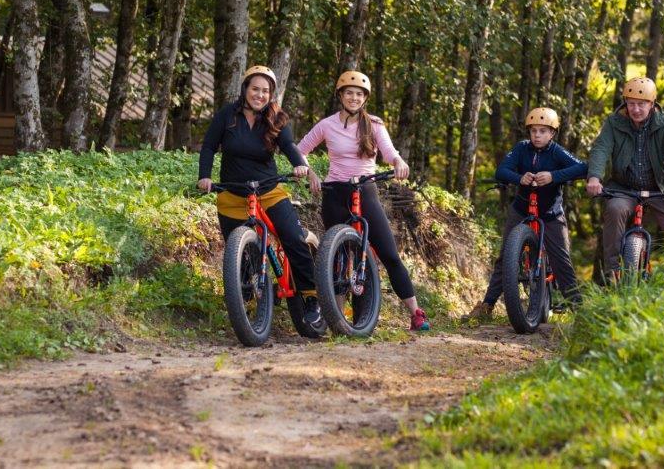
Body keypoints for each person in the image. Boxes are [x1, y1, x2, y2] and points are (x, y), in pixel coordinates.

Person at [297, 71, 430, 331]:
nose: (354, 97)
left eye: (359, 94)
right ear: (340, 95)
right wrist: (310, 171)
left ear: (365, 98)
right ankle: (334, 317)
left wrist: (399, 162)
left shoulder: (375, 125)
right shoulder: (327, 125)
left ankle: (416, 313)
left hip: (365, 190)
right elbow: (299, 150)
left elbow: (391, 154)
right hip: (335, 192)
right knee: (337, 257)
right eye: (349, 93)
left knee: (389, 253)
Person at [197, 65, 324, 333]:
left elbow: (289, 147)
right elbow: (209, 146)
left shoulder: (276, 119)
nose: (260, 94)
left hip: (268, 191)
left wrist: (301, 166)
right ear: (245, 89)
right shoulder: (226, 117)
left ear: (271, 94)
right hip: (232, 193)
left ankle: (312, 299)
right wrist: (205, 176)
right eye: (255, 88)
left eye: (265, 91)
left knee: (293, 238)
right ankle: (245, 300)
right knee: (239, 254)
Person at [463, 107, 586, 320]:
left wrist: (554, 176)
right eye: (534, 131)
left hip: (550, 213)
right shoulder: (521, 148)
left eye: (543, 131)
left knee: (561, 260)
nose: (537, 135)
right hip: (521, 209)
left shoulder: (557, 151)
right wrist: (519, 178)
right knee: (505, 257)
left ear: (552, 133)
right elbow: (501, 171)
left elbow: (583, 168)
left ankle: (581, 313)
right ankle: (487, 306)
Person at [585, 76, 664, 283]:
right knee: (615, 209)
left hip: (661, 189)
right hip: (624, 187)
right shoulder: (613, 122)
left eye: (641, 104)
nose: (635, 109)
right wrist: (594, 178)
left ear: (652, 104)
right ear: (625, 103)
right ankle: (612, 273)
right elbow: (601, 148)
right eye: (631, 104)